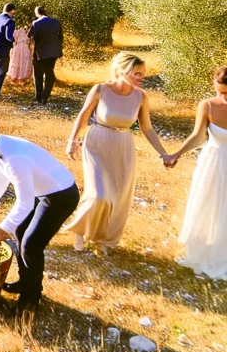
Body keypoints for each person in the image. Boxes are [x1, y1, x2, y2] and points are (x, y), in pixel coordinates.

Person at [0, 115, 79, 313]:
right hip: (42, 192)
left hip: (61, 195)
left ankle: (31, 298)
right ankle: (25, 282)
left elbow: (24, 203)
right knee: (20, 232)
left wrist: (2, 228)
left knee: (31, 244)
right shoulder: (1, 149)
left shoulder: (15, 158)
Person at [62, 53, 170, 255]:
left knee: (117, 199)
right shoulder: (101, 89)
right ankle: (80, 230)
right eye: (137, 73)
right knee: (99, 195)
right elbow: (84, 115)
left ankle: (100, 240)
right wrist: (72, 140)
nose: (141, 78)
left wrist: (163, 153)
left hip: (123, 148)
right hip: (97, 143)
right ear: (122, 70)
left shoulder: (141, 97)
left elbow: (147, 128)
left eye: (143, 74)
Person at [163, 67, 227, 279]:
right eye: (219, 92)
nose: (222, 97)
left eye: (226, 93)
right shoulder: (207, 105)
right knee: (208, 205)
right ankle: (206, 250)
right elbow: (198, 136)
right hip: (213, 161)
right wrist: (176, 154)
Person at [28, 6, 63, 104]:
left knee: (38, 75)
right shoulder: (56, 22)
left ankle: (38, 98)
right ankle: (45, 97)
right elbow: (60, 37)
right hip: (53, 53)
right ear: (45, 12)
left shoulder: (36, 23)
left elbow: (31, 36)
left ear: (37, 13)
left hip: (40, 53)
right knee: (49, 73)